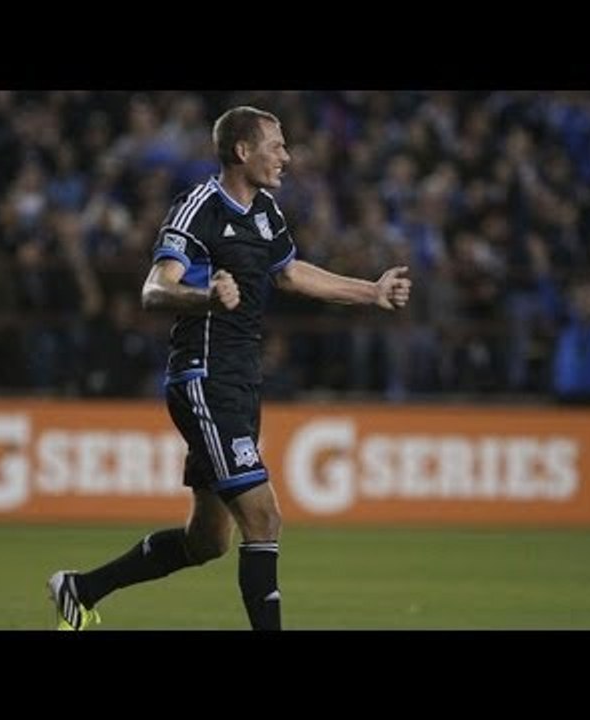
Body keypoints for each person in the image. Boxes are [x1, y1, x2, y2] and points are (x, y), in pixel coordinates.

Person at [48, 105, 411, 630]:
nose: (287, 156)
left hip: (240, 381)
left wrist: (370, 291)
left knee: (209, 541)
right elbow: (155, 289)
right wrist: (206, 298)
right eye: (277, 145)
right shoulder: (199, 208)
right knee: (264, 516)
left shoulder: (266, 211)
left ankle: (79, 589)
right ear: (243, 151)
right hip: (203, 378)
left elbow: (288, 274)